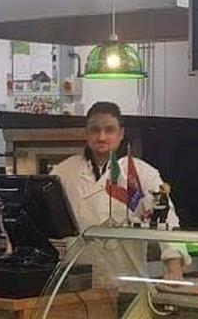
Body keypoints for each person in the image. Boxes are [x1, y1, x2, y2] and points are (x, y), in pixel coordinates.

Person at [51, 101, 189, 284]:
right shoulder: (63, 172)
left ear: (121, 133)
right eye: (94, 130)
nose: (101, 137)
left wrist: (174, 270)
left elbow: (166, 221)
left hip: (128, 281)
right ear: (86, 133)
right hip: (78, 284)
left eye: (109, 130)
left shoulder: (143, 173)